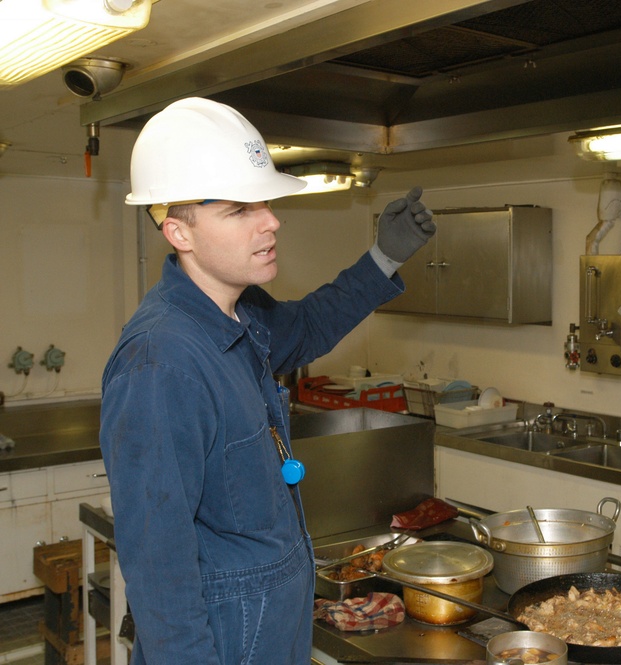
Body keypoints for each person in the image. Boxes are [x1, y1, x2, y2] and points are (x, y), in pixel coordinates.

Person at [99, 97, 435, 665]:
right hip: (227, 644)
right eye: (238, 210)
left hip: (272, 631)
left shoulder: (242, 313)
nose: (271, 220)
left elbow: (307, 325)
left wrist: (382, 257)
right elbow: (161, 572)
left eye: (265, 202)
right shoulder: (161, 363)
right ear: (179, 231)